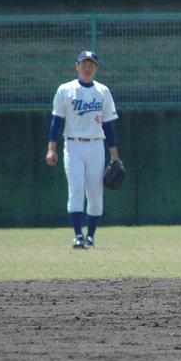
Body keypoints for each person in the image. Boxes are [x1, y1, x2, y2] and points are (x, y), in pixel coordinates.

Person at [45, 50, 120, 249]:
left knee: (95, 193)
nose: (87, 67)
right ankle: (78, 235)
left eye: (91, 64)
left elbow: (108, 125)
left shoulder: (103, 91)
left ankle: (91, 237)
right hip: (73, 145)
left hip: (96, 145)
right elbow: (56, 120)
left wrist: (115, 155)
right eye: (84, 63)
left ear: (96, 68)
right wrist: (51, 149)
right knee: (76, 189)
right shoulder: (65, 90)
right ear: (77, 66)